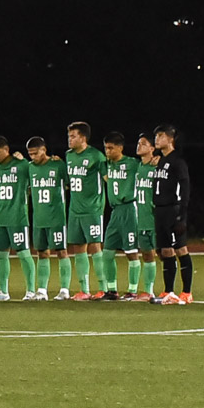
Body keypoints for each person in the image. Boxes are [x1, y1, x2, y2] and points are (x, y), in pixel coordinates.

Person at [62, 121, 108, 299]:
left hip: (92, 210)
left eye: (73, 136)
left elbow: (108, 179)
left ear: (83, 138)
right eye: (69, 136)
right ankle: (84, 290)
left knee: (95, 246)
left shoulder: (96, 156)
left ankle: (104, 288)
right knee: (78, 248)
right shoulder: (69, 156)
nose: (69, 140)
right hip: (74, 210)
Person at [0, 137, 37, 301]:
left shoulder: (21, 165)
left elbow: (35, 173)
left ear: (6, 149)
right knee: (1, 255)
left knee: (23, 253)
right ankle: (3, 291)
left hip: (17, 217)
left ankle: (30, 290)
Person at [23, 137, 71, 300]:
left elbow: (69, 184)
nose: (32, 157)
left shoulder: (58, 165)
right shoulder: (30, 168)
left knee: (61, 252)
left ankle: (64, 289)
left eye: (35, 153)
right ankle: (42, 290)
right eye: (30, 154)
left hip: (57, 217)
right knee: (42, 253)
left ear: (44, 149)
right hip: (38, 219)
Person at [151, 124, 193, 304]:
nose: (157, 139)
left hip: (173, 210)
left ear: (171, 139)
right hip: (160, 210)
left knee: (180, 249)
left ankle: (186, 292)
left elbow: (185, 190)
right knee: (165, 251)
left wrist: (181, 216)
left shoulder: (178, 162)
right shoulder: (160, 160)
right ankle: (168, 291)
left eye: (160, 136)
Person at [99, 132, 138, 301]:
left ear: (120, 148)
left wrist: (155, 159)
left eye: (111, 148)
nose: (107, 151)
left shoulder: (132, 163)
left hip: (129, 209)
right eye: (106, 148)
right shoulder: (106, 164)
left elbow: (147, 166)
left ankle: (132, 290)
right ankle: (112, 290)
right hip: (115, 211)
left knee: (131, 252)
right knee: (107, 251)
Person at [131, 134, 162, 300]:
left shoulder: (158, 167)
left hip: (156, 219)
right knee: (147, 256)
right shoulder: (136, 167)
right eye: (138, 142)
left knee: (165, 254)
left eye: (143, 143)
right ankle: (149, 291)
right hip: (141, 219)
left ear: (152, 148)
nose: (139, 145)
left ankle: (169, 290)